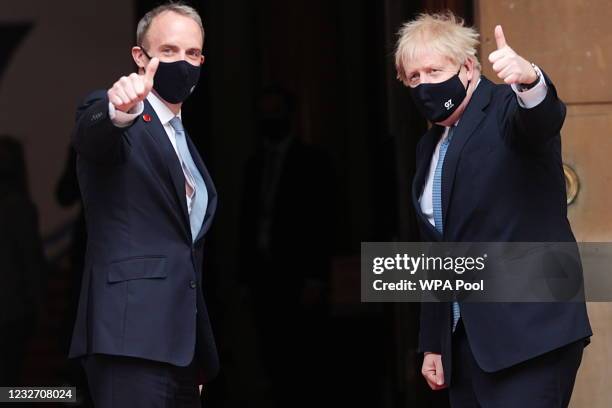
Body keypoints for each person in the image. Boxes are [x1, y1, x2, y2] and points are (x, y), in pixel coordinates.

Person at [394, 12, 592, 407]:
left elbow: (541, 118)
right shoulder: (429, 146)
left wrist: (530, 79)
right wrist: (433, 343)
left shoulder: (505, 109)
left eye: (434, 70)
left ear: (468, 68)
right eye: (413, 77)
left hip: (529, 337)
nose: (424, 84)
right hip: (466, 348)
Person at [69, 3, 218, 406]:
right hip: (128, 340)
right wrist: (118, 111)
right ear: (140, 56)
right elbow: (92, 135)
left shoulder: (183, 140)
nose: (183, 64)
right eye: (168, 51)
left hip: (181, 352)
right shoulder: (120, 113)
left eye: (192, 54)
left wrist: (198, 355)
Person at [0, 136, 46, 386]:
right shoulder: (19, 207)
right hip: (14, 311)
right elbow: (30, 262)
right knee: (11, 381)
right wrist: (40, 305)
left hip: (13, 309)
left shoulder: (16, 208)